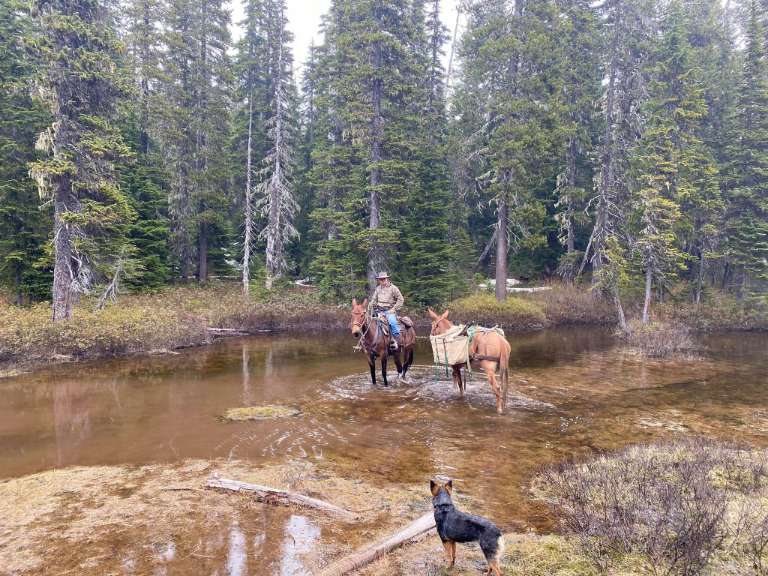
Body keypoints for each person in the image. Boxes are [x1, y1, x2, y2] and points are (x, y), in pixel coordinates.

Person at [370, 271, 404, 350]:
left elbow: (401, 299)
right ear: (379, 280)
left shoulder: (393, 288)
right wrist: (371, 304)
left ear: (387, 279)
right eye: (380, 279)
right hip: (378, 311)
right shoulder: (378, 288)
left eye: (384, 279)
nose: (382, 280)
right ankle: (368, 342)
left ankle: (397, 341)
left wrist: (393, 309)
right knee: (368, 322)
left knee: (392, 323)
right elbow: (374, 299)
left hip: (389, 311)